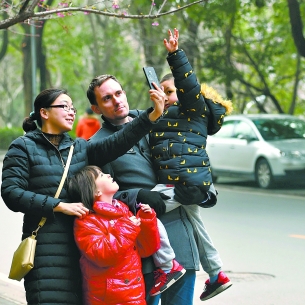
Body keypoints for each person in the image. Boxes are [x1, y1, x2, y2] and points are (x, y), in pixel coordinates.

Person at [1, 86, 165, 305]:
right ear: (44, 112)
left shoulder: (79, 148)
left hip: (83, 251)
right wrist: (59, 206)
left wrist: (151, 115)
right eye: (64, 106)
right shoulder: (23, 147)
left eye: (73, 108)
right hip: (46, 250)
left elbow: (120, 141)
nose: (71, 112)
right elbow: (11, 193)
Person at [87, 76, 217, 305]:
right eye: (107, 98)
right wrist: (136, 196)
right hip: (142, 246)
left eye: (118, 93)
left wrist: (204, 192)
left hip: (180, 237)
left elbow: (192, 156)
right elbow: (103, 196)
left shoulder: (158, 117)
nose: (116, 101)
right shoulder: (98, 145)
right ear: (96, 108)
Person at [149, 28, 233, 301]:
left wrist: (174, 55)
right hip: (194, 183)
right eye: (161, 91)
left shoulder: (193, 109)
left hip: (184, 182)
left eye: (170, 91)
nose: (166, 95)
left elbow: (188, 86)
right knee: (196, 224)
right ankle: (217, 273)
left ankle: (168, 265)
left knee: (144, 209)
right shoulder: (162, 116)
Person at [68, 165, 160, 305]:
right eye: (101, 175)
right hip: (110, 298)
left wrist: (146, 220)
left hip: (134, 294)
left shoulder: (122, 210)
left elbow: (146, 249)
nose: (108, 175)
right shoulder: (86, 220)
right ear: (95, 191)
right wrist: (127, 227)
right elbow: (101, 255)